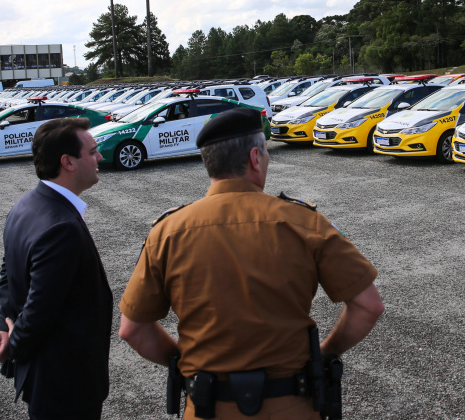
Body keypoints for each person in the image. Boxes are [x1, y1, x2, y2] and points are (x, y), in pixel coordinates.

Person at [119, 108, 384, 420]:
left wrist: (183, 360)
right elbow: (368, 306)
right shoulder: (304, 222)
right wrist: (325, 353)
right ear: (255, 158)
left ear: (209, 162)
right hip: (292, 407)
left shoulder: (166, 231)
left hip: (206, 406)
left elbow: (133, 330)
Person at [0, 118, 113, 420]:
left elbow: (8, 279)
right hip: (63, 383)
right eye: (93, 152)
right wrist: (12, 344)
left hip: (49, 380)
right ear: (68, 162)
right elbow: (40, 308)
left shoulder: (26, 205)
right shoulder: (61, 226)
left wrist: (0, 328)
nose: (100, 158)